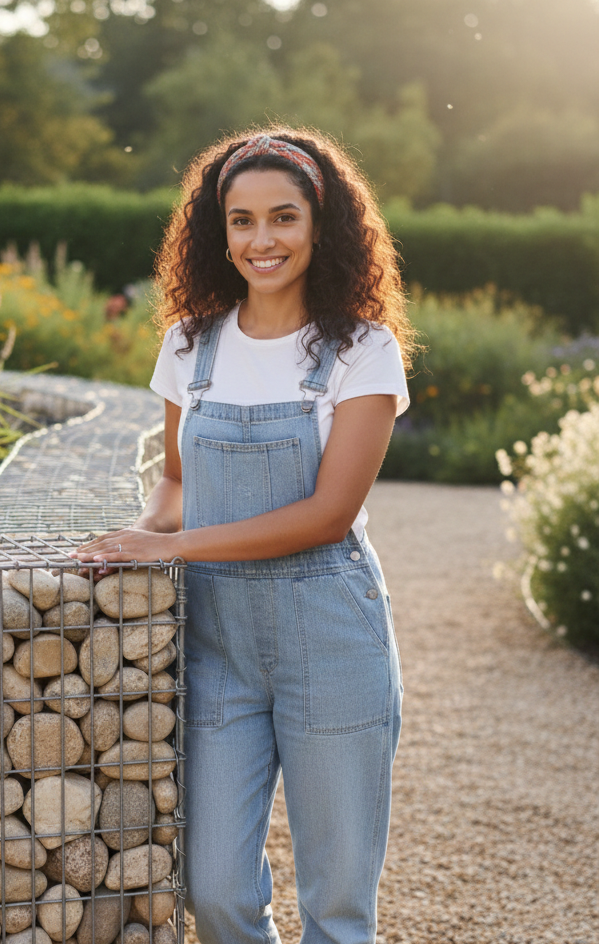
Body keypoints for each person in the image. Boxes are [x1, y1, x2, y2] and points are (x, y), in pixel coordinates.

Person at [74, 126, 418, 944]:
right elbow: (178, 484)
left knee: (336, 908)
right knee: (217, 891)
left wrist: (175, 546)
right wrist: (138, 530)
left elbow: (328, 514)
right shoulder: (189, 343)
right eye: (241, 220)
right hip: (218, 643)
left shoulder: (360, 352)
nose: (261, 240)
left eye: (283, 217)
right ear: (217, 230)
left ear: (321, 224)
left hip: (332, 637)